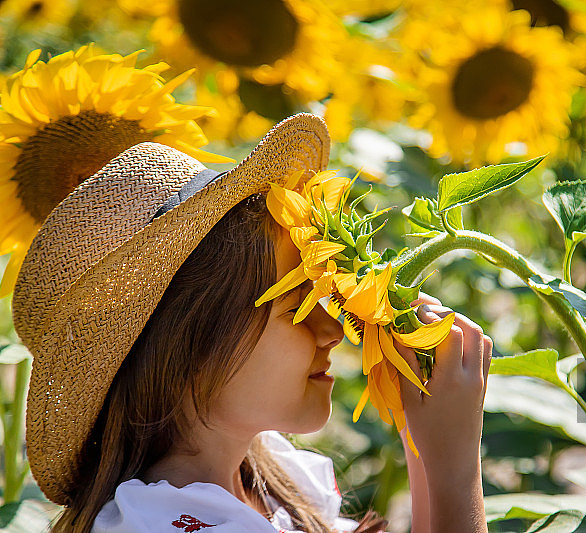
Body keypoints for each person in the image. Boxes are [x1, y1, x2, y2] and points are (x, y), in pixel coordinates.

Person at [12, 114, 493, 532]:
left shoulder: (268, 484)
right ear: (190, 345)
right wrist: (456, 473)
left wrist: (421, 441)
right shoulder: (158, 525)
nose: (332, 331)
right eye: (296, 309)